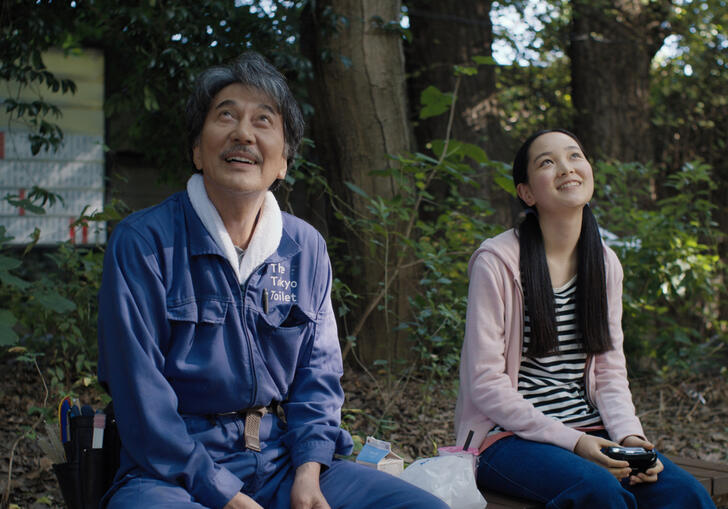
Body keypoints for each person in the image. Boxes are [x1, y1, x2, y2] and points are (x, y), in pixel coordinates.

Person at [97, 52, 449, 509]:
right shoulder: (143, 242)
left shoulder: (305, 248)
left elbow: (317, 379)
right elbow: (140, 402)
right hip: (169, 472)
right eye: (226, 115)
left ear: (283, 161)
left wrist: (309, 472)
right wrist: (223, 494)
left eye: (264, 120)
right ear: (198, 151)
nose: (243, 133)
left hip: (281, 461)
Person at [454, 129, 716, 508]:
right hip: (504, 439)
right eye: (547, 162)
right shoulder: (496, 262)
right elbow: (486, 383)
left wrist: (629, 438)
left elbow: (610, 373)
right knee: (600, 492)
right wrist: (574, 442)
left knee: (685, 494)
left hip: (592, 430)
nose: (566, 168)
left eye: (574, 156)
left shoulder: (605, 264)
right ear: (526, 193)